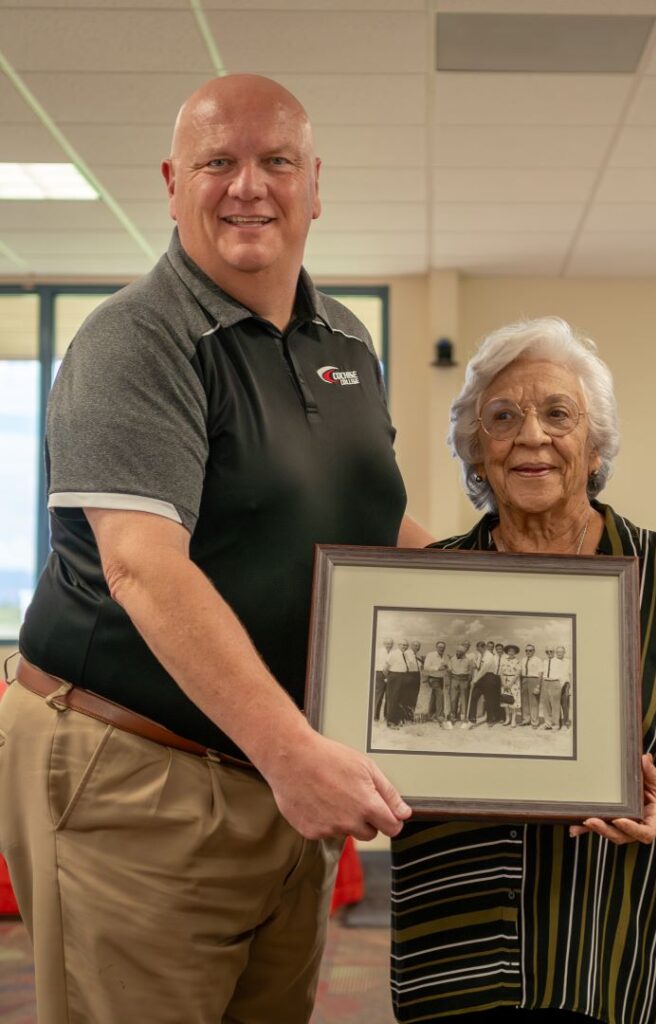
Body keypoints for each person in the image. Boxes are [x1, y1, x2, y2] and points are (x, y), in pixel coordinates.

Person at [0, 74, 431, 1024]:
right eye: (218, 162)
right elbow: (144, 567)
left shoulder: (347, 340)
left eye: (276, 161)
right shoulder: (135, 342)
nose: (249, 186)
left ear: (316, 184)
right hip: (137, 772)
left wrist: (509, 603)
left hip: (277, 776)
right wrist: (292, 754)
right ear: (171, 181)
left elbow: (370, 522)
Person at [390, 316, 656, 1024]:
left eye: (558, 413)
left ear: (594, 448)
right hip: (458, 943)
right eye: (502, 417)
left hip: (615, 946)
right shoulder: (428, 585)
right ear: (477, 451)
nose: (531, 436)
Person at [422, 640, 451, 727]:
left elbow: (449, 666)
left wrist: (447, 667)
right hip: (433, 678)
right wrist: (438, 668)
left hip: (442, 678)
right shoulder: (430, 655)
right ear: (436, 647)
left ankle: (431, 715)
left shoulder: (446, 656)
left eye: (443, 647)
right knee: (440, 695)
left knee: (434, 696)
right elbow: (426, 667)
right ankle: (440, 716)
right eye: (439, 647)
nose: (441, 648)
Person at [498, 641, 522, 726]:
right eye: (509, 651)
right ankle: (507, 719)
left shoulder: (517, 661)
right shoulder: (503, 660)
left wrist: (511, 683)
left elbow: (518, 673)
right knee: (505, 700)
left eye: (513, 651)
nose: (511, 652)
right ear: (507, 652)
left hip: (514, 683)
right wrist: (503, 683)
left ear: (515, 652)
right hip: (504, 681)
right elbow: (500, 672)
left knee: (513, 701)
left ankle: (513, 720)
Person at [519, 642, 543, 727]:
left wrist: (538, 686)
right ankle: (526, 719)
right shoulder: (523, 659)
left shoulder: (538, 660)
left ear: (534, 651)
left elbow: (540, 674)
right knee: (524, 701)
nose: (528, 652)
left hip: (534, 680)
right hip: (524, 679)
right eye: (526, 650)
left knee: (534, 702)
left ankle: (534, 722)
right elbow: (520, 671)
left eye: (530, 650)